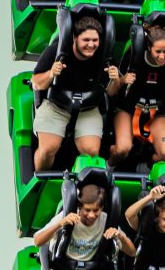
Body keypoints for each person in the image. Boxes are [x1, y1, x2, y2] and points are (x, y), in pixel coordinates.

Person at [29, 15, 118, 170]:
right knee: (48, 149)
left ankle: (84, 180)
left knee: (91, 152)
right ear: (75, 38)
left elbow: (111, 92)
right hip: (56, 105)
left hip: (88, 108)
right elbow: (36, 83)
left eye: (95, 40)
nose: (91, 45)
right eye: (86, 40)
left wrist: (115, 80)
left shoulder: (103, 56)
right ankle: (42, 177)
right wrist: (51, 74)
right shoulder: (55, 51)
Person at [108, 12, 165, 167]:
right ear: (149, 47)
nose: (162, 56)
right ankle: (109, 167)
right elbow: (111, 92)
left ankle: (146, 168)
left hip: (157, 112)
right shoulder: (134, 56)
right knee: (122, 149)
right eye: (158, 52)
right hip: (128, 109)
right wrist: (122, 80)